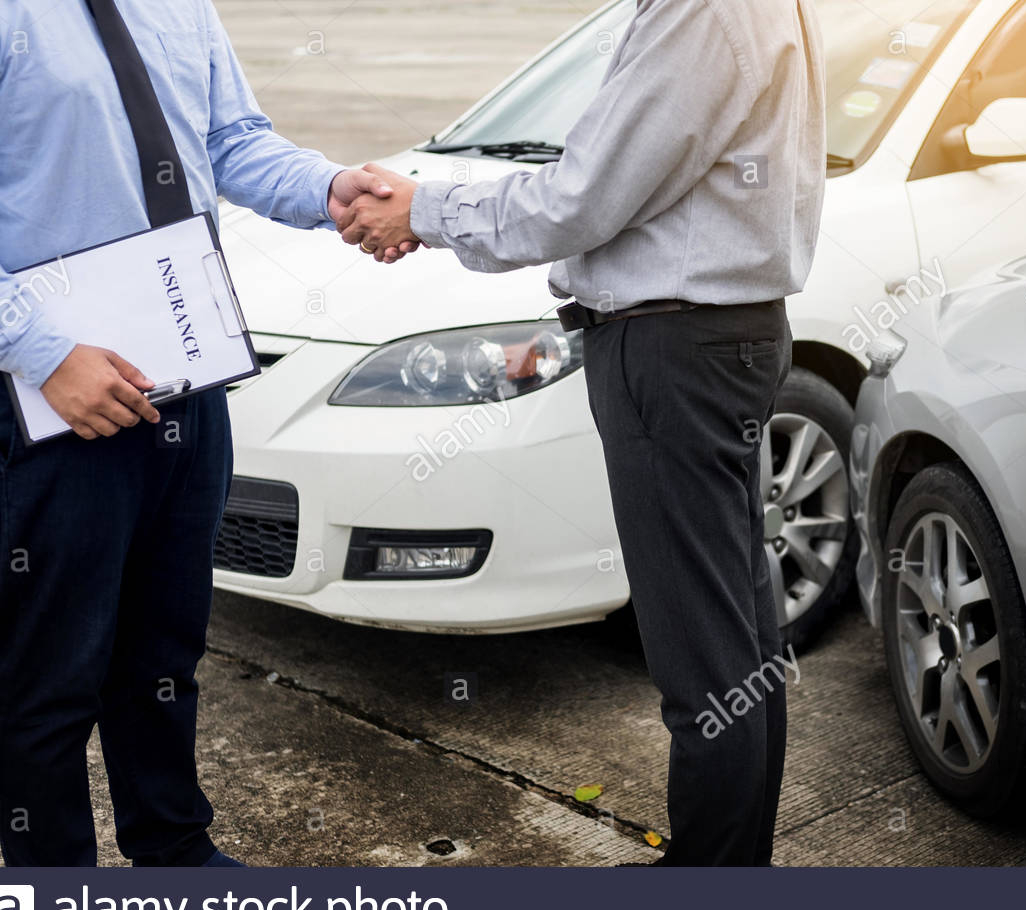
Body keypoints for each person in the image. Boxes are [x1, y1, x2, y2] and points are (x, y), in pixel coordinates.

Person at [337, 0, 826, 865]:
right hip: (714, 337)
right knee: (737, 636)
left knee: (702, 657)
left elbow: (582, 197)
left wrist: (424, 210)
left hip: (675, 349)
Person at [0, 0, 406, 866]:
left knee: (165, 642)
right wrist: (46, 354)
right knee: (54, 667)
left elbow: (231, 140)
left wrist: (326, 187)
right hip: (44, 392)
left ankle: (174, 852)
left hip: (188, 372)